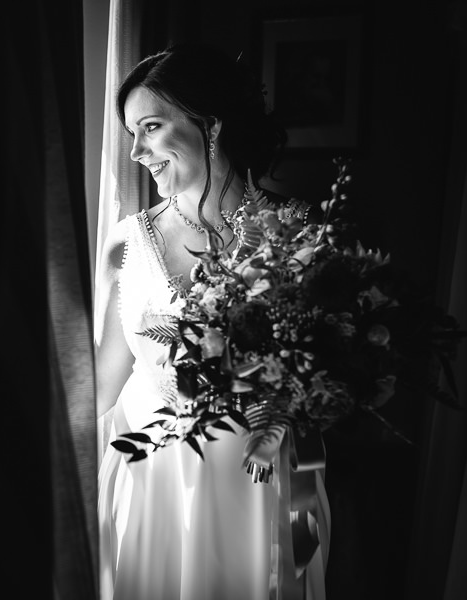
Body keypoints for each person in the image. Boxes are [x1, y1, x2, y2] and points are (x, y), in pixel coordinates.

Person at [94, 43, 329, 599]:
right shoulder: (125, 244)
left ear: (211, 125)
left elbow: (326, 379)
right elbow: (99, 388)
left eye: (150, 127)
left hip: (264, 484)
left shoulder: (299, 234)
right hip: (155, 485)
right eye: (131, 133)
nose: (136, 152)